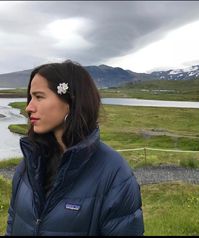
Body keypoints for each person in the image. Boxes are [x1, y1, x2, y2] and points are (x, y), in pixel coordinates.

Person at [5, 60, 144, 236]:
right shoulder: (28, 164)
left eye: (39, 97)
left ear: (70, 102)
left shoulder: (115, 175)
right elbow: (13, 223)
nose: (29, 107)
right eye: (30, 97)